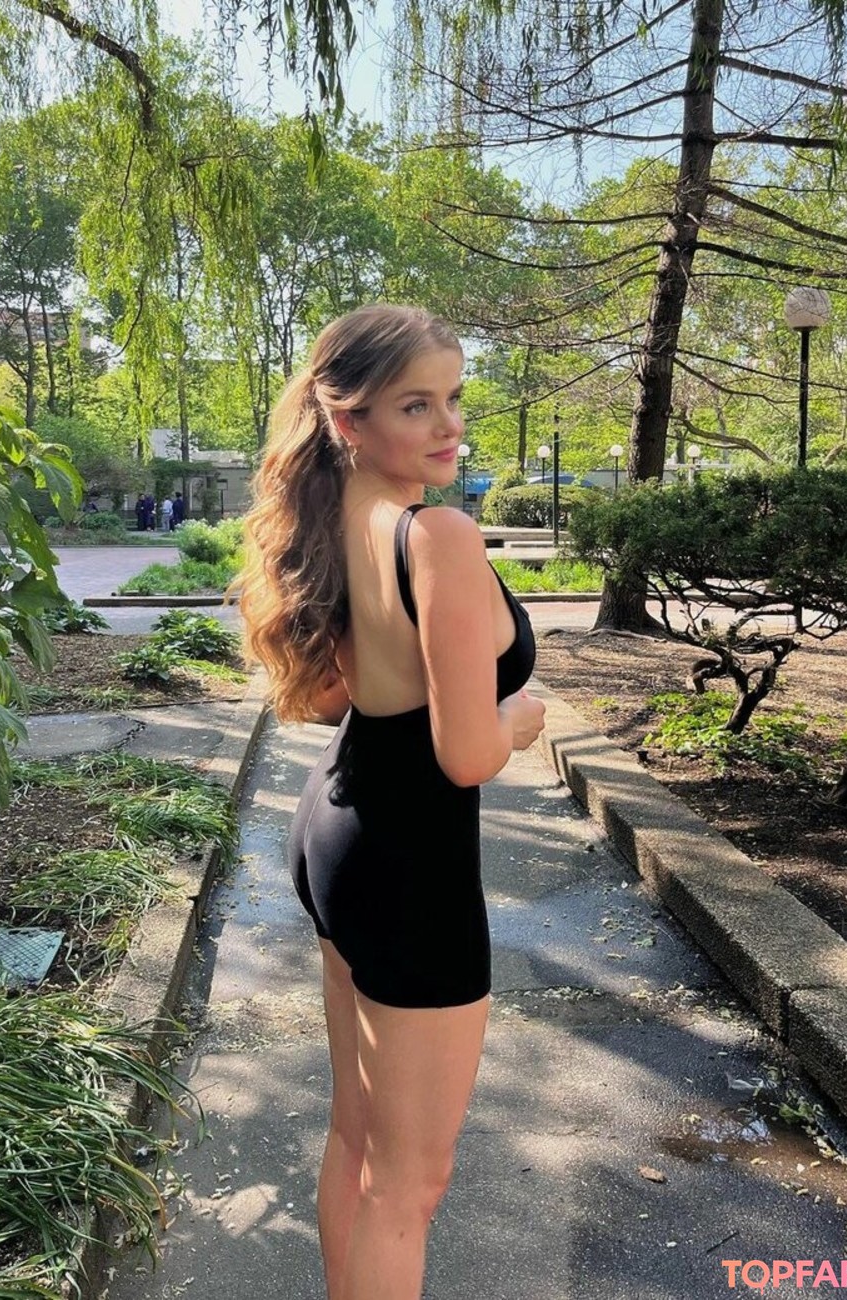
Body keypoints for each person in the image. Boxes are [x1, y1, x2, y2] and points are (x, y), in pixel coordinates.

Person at [237, 304, 546, 1300]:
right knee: (409, 1185)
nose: (448, 424)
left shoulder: (332, 515)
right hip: (411, 864)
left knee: (357, 1136)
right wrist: (518, 717)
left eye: (452, 397)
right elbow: (466, 754)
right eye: (416, 405)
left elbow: (336, 696)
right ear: (350, 419)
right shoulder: (438, 534)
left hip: (338, 832)